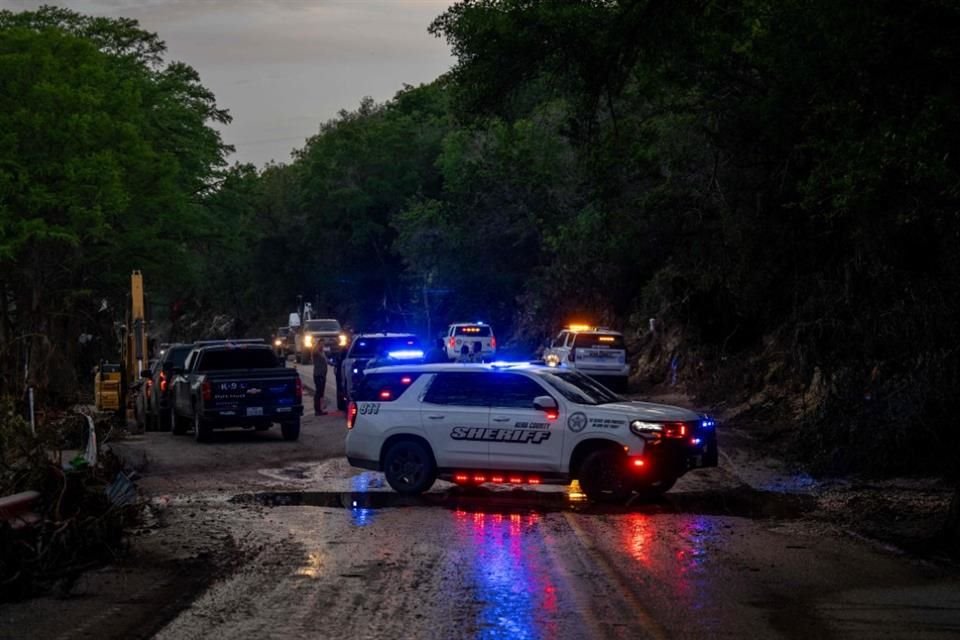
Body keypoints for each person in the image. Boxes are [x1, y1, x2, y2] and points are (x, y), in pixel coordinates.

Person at [313, 346, 329, 415]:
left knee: (321, 393)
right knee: (318, 393)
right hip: (318, 375)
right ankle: (317, 410)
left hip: (322, 374)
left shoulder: (322, 353)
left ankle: (320, 409)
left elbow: (326, 361)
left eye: (323, 344)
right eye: (320, 344)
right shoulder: (316, 353)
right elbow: (315, 352)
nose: (322, 345)